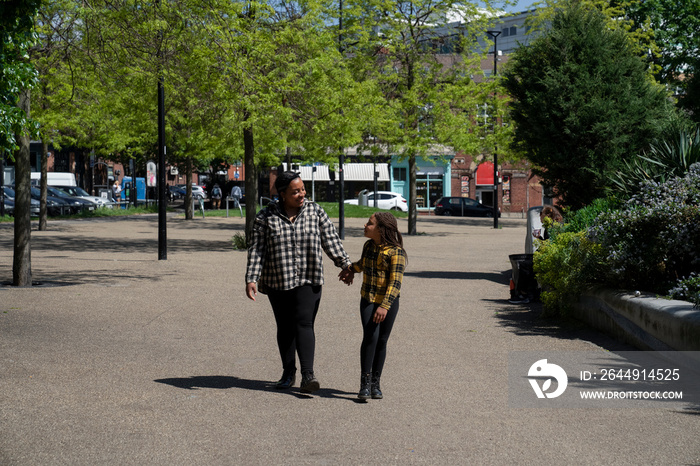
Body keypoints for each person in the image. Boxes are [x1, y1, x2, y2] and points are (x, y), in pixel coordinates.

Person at [245, 171, 352, 393]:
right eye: (296, 191)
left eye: (303, 189)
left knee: (304, 323)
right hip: (278, 278)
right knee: (285, 327)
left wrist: (345, 264)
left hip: (309, 277)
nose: (302, 194)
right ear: (282, 194)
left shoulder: (315, 211)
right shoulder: (266, 217)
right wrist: (251, 278)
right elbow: (257, 250)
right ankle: (288, 372)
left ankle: (308, 375)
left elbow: (330, 240)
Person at [339, 212, 407, 401]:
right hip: (368, 299)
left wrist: (384, 306)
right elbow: (363, 264)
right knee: (370, 337)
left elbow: (395, 284)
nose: (365, 225)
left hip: (388, 303)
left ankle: (376, 383)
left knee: (382, 340)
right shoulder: (368, 246)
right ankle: (365, 383)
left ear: (380, 229)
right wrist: (350, 269)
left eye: (369, 223)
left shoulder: (396, 252)